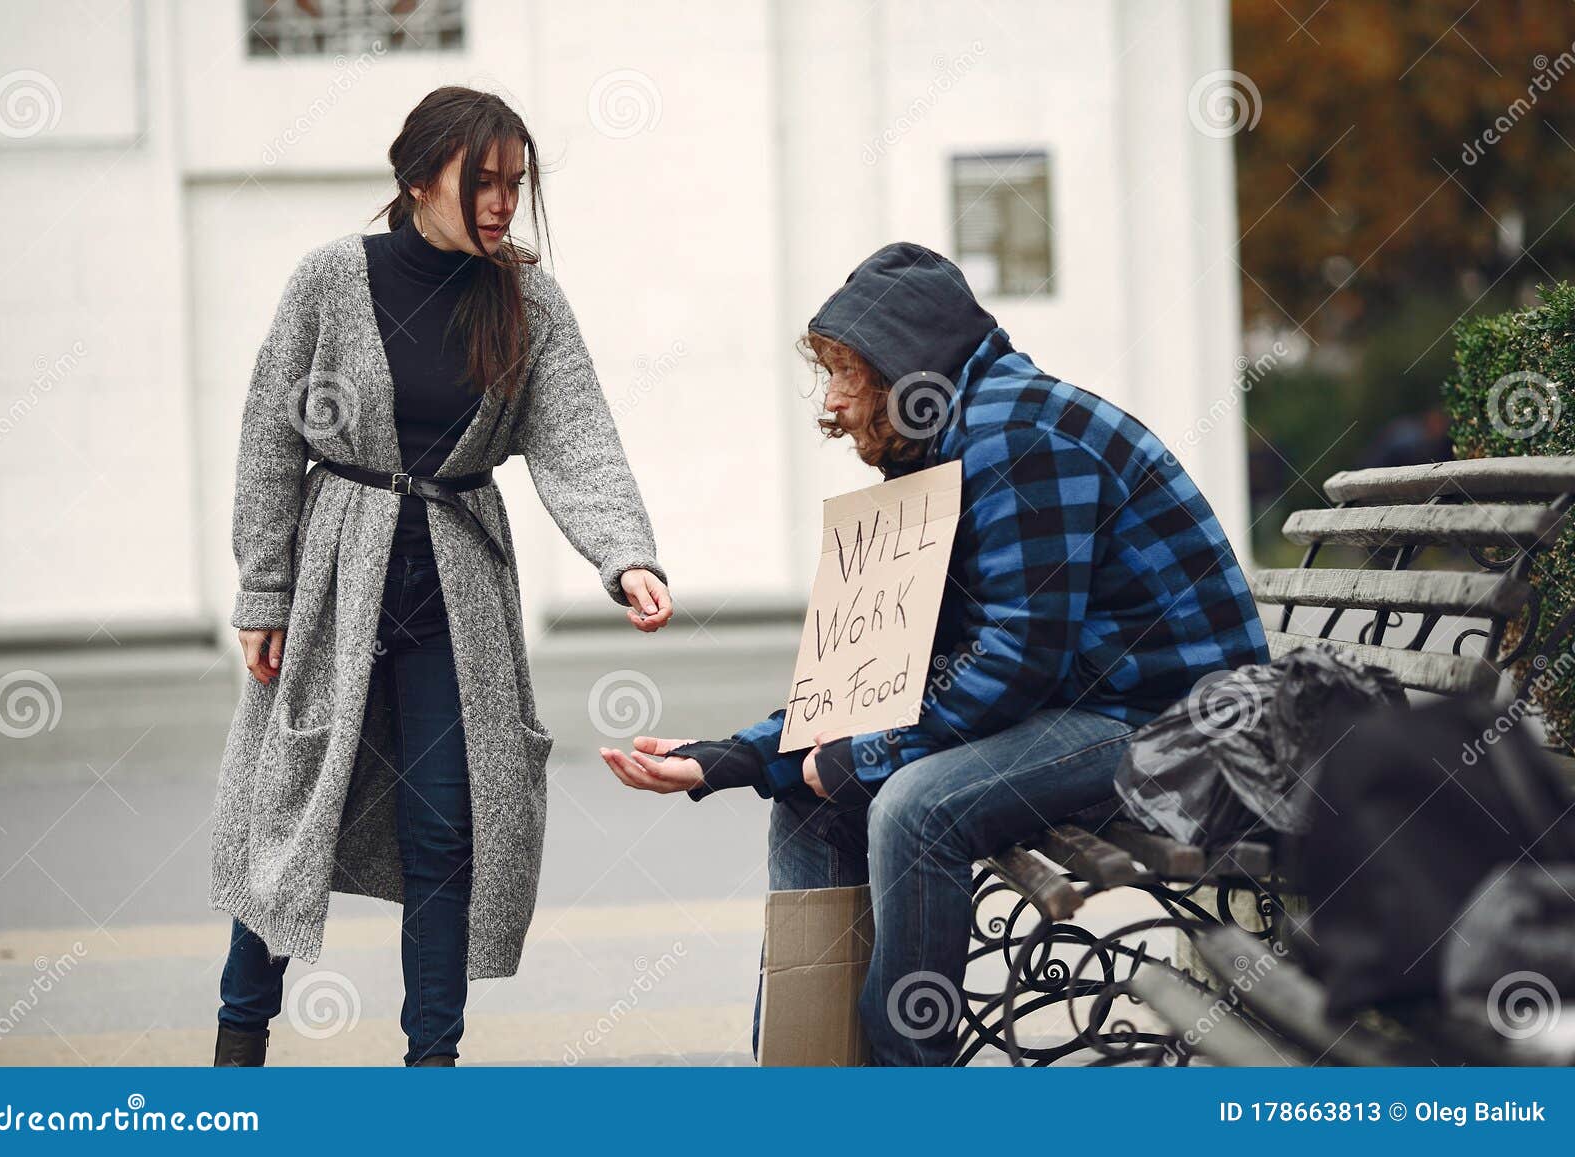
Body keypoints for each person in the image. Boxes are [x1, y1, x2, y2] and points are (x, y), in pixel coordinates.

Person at [600, 241, 1268, 1065]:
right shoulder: (942, 450)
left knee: (916, 803)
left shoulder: (1018, 436)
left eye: (849, 374)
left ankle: (900, 1093)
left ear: (905, 370)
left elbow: (1020, 658)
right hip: (1079, 705)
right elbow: (874, 673)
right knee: (817, 800)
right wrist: (734, 757)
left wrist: (867, 755)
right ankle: (809, 1071)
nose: (835, 403)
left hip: (1174, 723)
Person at [212, 87, 672, 1067]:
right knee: (289, 811)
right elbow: (268, 436)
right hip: (336, 575)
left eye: (516, 183)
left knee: (444, 829)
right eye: (485, 181)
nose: (503, 201)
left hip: (454, 591)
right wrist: (263, 590)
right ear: (419, 176)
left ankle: (432, 1070)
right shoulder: (331, 279)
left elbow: (576, 436)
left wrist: (623, 552)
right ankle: (236, 1048)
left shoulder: (528, 298)